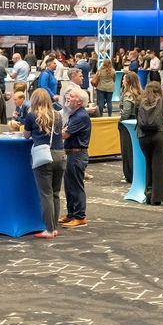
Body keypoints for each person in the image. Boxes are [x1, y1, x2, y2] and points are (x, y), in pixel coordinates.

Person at [23, 88, 66, 239]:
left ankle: (49, 229)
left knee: (45, 194)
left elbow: (26, 135)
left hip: (43, 156)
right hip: (60, 155)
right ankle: (54, 227)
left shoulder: (31, 116)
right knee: (55, 193)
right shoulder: (58, 115)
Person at [60, 88, 92, 228]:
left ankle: (80, 216)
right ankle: (71, 213)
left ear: (79, 101)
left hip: (77, 154)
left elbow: (64, 134)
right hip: (72, 153)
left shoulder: (80, 116)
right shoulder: (75, 115)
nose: (68, 97)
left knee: (76, 186)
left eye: (71, 96)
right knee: (69, 185)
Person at [137, 81, 163, 205]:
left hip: (143, 136)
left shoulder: (139, 100)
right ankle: (156, 198)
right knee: (159, 167)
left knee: (148, 165)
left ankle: (148, 193)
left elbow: (137, 117)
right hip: (159, 135)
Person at [118, 71, 142, 185]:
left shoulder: (128, 95)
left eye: (124, 79)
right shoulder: (138, 93)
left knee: (127, 151)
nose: (122, 81)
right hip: (135, 125)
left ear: (128, 81)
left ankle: (129, 175)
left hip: (127, 125)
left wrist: (120, 119)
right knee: (134, 151)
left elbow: (126, 113)